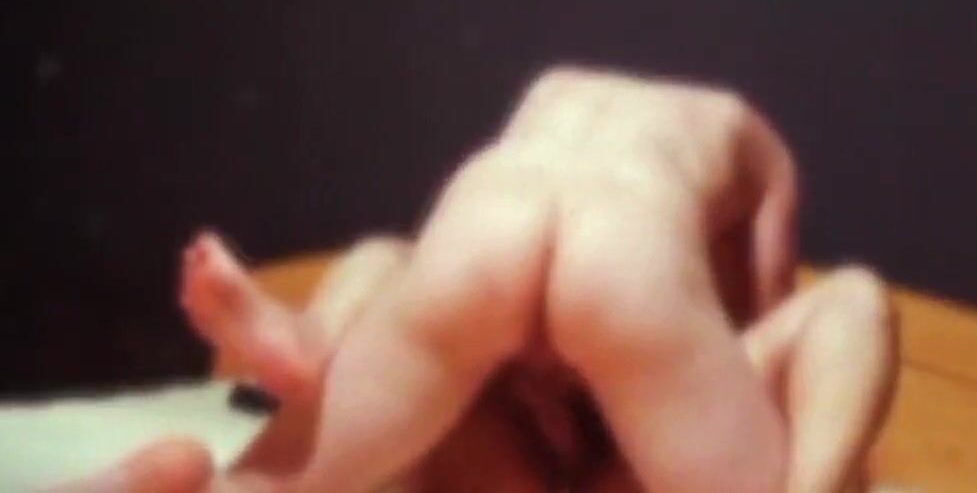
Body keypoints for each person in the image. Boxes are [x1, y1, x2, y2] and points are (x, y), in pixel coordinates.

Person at [52, 66, 898, 492]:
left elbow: (454, 295)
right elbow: (768, 308)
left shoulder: (556, 91)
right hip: (631, 256)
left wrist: (530, 367)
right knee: (858, 305)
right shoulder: (754, 143)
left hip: (484, 222)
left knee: (383, 275)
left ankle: (290, 363)